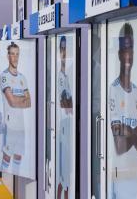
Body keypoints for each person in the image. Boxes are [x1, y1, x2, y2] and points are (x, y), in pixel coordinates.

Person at [109, 23, 137, 199]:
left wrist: (128, 132)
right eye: (125, 51)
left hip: (134, 173)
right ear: (119, 55)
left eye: (131, 50)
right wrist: (136, 134)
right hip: (116, 171)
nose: (128, 56)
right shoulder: (113, 90)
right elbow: (119, 144)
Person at [0, 42, 31, 172]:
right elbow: (11, 102)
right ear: (8, 56)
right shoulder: (4, 76)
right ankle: (6, 180)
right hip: (10, 124)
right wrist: (21, 100)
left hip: (21, 126)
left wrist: (19, 100)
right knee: (7, 155)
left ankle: (16, 181)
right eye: (13, 54)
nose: (15, 57)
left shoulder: (22, 77)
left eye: (17, 54)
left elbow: (29, 102)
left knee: (19, 154)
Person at [57, 36, 73, 199]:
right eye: (62, 49)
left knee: (67, 174)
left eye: (66, 49)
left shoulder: (68, 74)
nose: (64, 53)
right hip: (61, 126)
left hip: (68, 126)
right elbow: (66, 105)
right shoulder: (58, 74)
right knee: (62, 175)